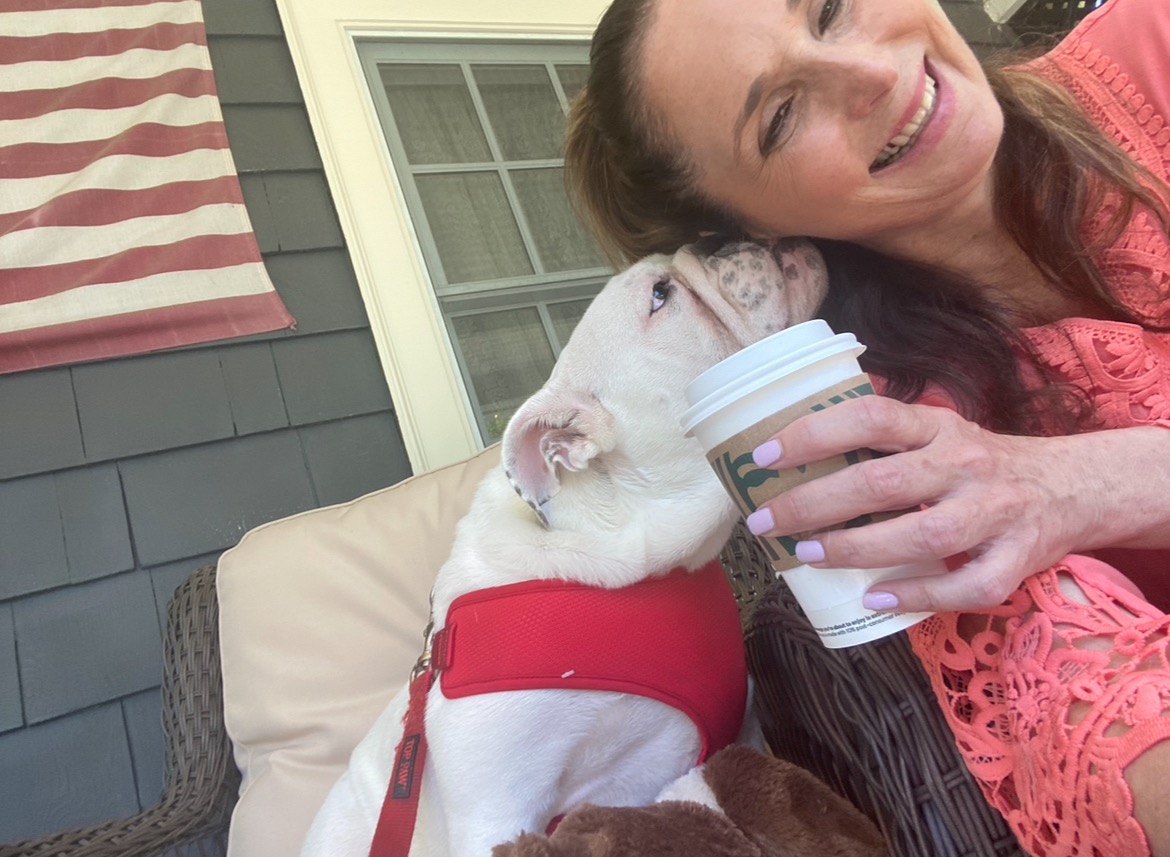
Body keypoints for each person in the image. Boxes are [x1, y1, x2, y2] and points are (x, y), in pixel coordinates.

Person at [563, 0, 1170, 854]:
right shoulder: (869, 431)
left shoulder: (1151, 50)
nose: (875, 74)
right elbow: (1106, 724)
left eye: (832, 8)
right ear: (753, 227)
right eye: (780, 118)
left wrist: (1092, 482)